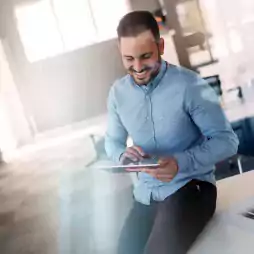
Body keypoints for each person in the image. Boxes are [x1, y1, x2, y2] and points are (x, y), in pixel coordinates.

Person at [105, 11, 239, 254]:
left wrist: (180, 162)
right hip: (146, 195)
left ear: (161, 46)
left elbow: (227, 141)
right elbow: (112, 142)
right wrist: (121, 156)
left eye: (145, 56)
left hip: (191, 189)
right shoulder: (117, 94)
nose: (138, 68)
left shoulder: (192, 85)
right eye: (129, 59)